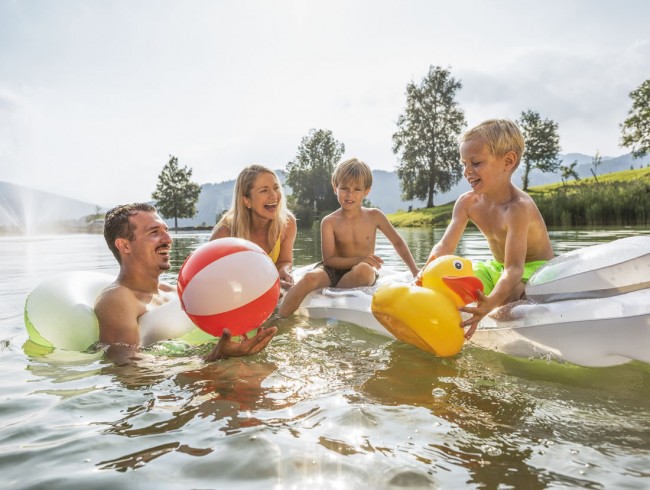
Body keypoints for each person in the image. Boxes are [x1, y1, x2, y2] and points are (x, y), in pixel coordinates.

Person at [95, 203, 277, 365]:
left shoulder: (174, 292)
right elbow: (125, 364)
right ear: (124, 246)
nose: (168, 239)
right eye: (154, 232)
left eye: (166, 231)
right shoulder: (117, 298)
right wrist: (213, 357)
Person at [420, 119, 554, 339]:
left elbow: (514, 270)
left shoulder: (518, 208)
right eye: (464, 163)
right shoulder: (467, 203)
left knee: (507, 296)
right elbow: (445, 245)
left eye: (475, 163)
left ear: (508, 161)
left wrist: (490, 303)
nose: (467, 171)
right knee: (451, 280)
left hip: (533, 270)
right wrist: (424, 274)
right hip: (497, 268)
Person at [278, 158, 419, 317]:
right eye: (344, 188)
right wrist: (359, 258)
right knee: (310, 278)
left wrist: (415, 271)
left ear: (366, 191)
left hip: (361, 270)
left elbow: (398, 242)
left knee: (364, 270)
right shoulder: (329, 222)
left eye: (357, 189)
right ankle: (280, 320)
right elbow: (329, 260)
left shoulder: (375, 216)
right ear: (335, 188)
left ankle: (334, 298)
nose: (349, 194)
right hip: (333, 270)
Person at [210, 165, 297, 289]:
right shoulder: (225, 233)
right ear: (247, 201)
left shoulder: (287, 223)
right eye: (264, 190)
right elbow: (211, 277)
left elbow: (284, 261)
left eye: (276, 187)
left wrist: (284, 270)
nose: (274, 196)